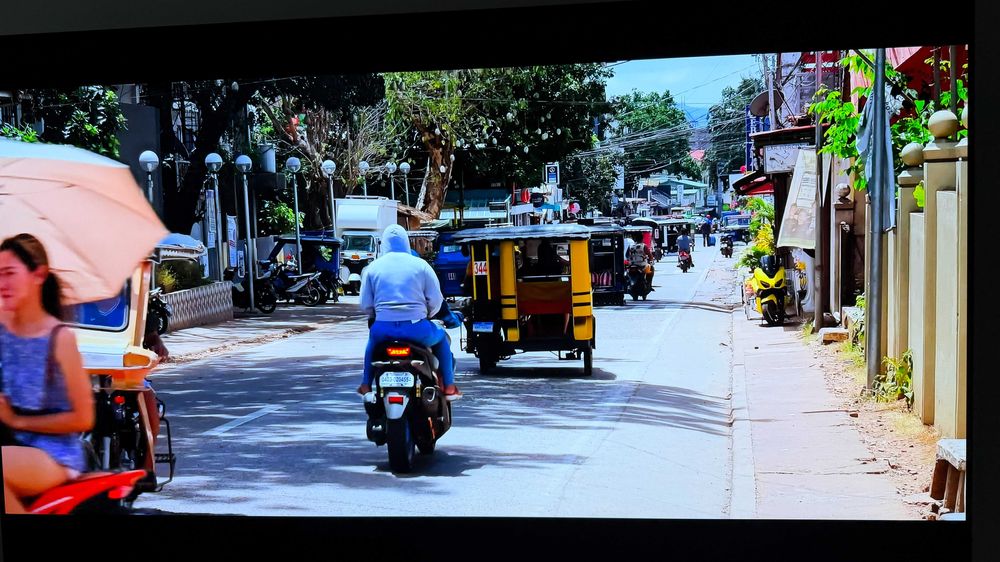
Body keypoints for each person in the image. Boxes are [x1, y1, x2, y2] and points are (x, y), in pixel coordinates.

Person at [0, 234, 95, 515]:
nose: (2, 283)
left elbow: (84, 418)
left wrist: (16, 419)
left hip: (52, 454)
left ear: (37, 274)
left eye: (10, 273)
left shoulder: (59, 338)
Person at [357, 225, 461, 398]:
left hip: (383, 329)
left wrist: (380, 315)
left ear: (384, 244)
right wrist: (428, 314)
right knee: (441, 337)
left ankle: (366, 385)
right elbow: (436, 300)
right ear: (406, 242)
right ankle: (449, 387)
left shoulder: (372, 268)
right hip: (417, 329)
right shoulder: (421, 266)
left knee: (371, 343)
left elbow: (365, 304)